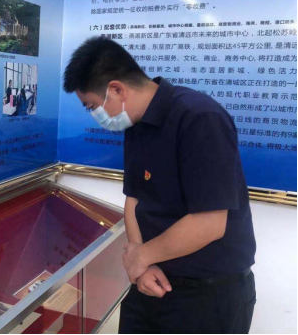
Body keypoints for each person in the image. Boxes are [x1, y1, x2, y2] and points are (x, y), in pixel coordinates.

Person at [63, 37, 256, 334]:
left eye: (92, 106)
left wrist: (141, 257)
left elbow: (209, 223)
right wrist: (140, 264)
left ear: (117, 89)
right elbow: (134, 199)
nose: (95, 116)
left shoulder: (200, 118)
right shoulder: (134, 124)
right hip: (149, 282)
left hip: (207, 298)